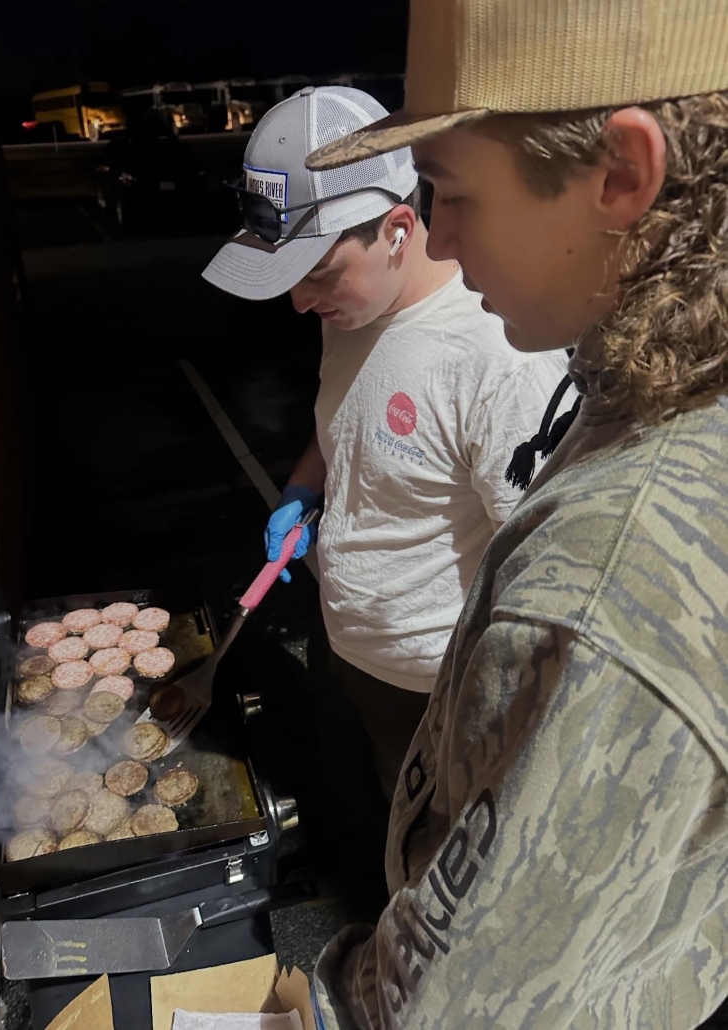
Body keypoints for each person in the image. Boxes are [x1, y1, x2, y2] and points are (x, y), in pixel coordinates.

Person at [303, 0, 728, 1027]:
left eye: (450, 192)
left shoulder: (603, 571)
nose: (436, 234)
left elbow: (455, 1007)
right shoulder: (672, 376)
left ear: (621, 175)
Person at [203, 84, 571, 893]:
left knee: (441, 872)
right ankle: (358, 878)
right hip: (350, 644)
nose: (299, 302)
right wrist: (304, 490)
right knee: (364, 810)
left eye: (318, 274)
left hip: (437, 688)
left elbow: (545, 567)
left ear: (398, 229)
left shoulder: (494, 356)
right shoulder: (355, 313)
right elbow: (348, 422)